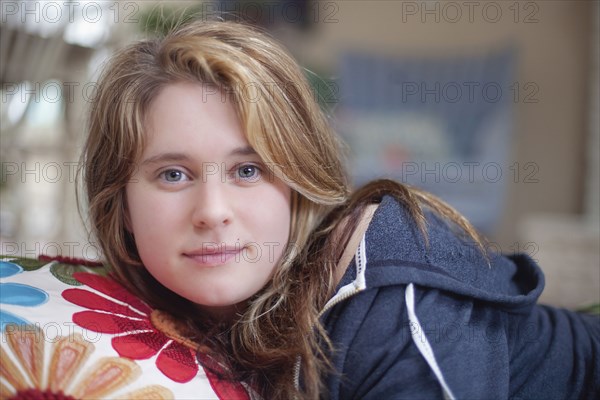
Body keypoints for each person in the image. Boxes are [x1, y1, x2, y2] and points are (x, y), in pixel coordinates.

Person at [80, 19, 599, 399]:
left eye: (248, 170)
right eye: (173, 174)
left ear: (297, 182)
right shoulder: (139, 306)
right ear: (120, 204)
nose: (212, 211)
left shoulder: (387, 289)